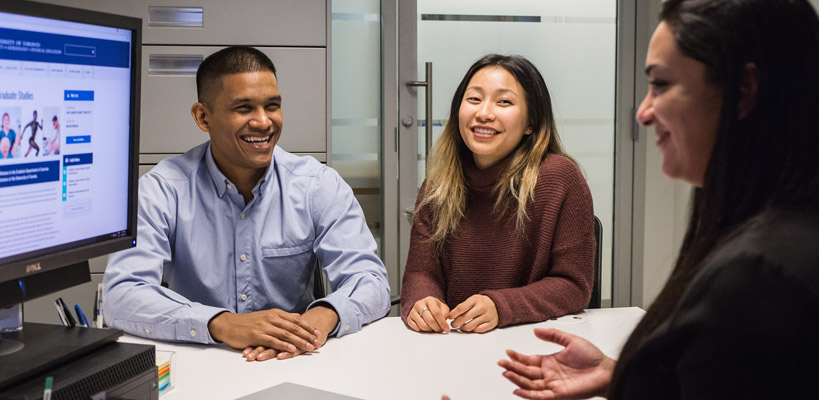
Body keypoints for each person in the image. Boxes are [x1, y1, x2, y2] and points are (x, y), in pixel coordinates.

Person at [498, 0, 819, 398]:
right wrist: (625, 377)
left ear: (743, 90)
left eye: (660, 84)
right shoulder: (812, 225)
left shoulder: (760, 281)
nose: (643, 112)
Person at [104, 46, 391, 362]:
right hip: (202, 363)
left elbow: (371, 282)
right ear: (203, 117)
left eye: (272, 106)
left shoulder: (316, 185)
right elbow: (122, 295)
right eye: (244, 108)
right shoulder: (163, 191)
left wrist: (322, 317)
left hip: (293, 358)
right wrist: (223, 324)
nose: (263, 122)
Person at [401, 54, 595, 334]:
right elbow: (421, 273)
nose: (484, 113)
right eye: (474, 99)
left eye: (504, 102)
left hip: (531, 341)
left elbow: (574, 285)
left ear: (531, 122)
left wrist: (501, 306)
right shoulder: (438, 184)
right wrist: (423, 303)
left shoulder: (560, 178)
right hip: (455, 343)